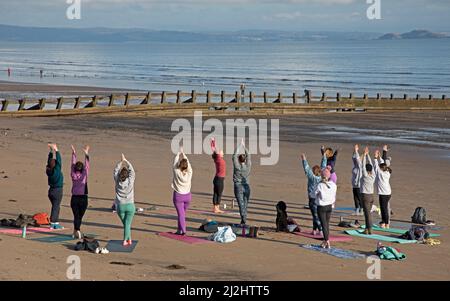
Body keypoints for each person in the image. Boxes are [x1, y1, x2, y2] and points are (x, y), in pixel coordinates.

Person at [301, 152, 327, 235]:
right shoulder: (321, 177)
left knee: (316, 215)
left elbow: (307, 169)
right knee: (315, 214)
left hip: (312, 199)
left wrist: (304, 159)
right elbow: (323, 166)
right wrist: (324, 156)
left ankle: (321, 230)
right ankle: (314, 230)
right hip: (319, 198)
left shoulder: (311, 177)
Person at [114, 154, 136, 246]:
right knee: (127, 224)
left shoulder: (117, 180)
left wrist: (120, 162)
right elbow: (132, 171)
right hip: (130, 205)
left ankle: (128, 239)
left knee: (126, 224)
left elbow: (115, 171)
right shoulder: (130, 181)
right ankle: (126, 240)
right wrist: (126, 161)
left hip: (120, 206)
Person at [70, 145, 90, 239]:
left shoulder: (73, 174)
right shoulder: (84, 175)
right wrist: (86, 154)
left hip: (74, 198)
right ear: (82, 169)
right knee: (79, 216)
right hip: (83, 198)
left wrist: (74, 153)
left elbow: (72, 164)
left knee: (76, 216)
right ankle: (77, 230)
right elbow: (87, 166)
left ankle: (75, 231)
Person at [172, 147, 193, 235]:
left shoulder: (177, 172)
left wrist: (178, 153)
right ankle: (179, 230)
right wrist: (184, 154)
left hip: (179, 196)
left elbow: (174, 163)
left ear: (180, 166)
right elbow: (188, 164)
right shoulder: (190, 172)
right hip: (187, 196)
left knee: (181, 214)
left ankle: (183, 230)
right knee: (182, 214)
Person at [315, 167, 337, 249]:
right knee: (326, 224)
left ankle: (327, 241)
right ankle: (325, 241)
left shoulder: (320, 185)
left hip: (322, 207)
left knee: (324, 224)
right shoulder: (333, 185)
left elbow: (314, 194)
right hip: (329, 207)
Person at [233, 138, 251, 225]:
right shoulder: (248, 166)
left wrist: (239, 146)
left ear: (239, 160)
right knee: (245, 203)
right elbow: (249, 156)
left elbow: (234, 156)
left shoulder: (237, 166)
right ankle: (244, 217)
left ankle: (243, 218)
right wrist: (244, 147)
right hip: (246, 186)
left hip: (238, 186)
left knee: (241, 203)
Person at [46, 143, 64, 230]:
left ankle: (54, 222)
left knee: (56, 206)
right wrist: (56, 149)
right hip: (57, 191)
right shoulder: (56, 170)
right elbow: (59, 160)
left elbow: (49, 162)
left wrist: (51, 152)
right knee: (56, 207)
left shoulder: (49, 170)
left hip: (51, 191)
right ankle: (54, 223)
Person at [374, 145, 392, 229]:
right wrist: (380, 157)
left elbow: (377, 166)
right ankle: (385, 222)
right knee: (384, 208)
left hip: (384, 194)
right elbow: (382, 164)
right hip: (388, 193)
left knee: (383, 209)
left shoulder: (380, 173)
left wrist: (375, 158)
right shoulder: (387, 172)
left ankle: (385, 223)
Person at [360, 146, 376, 235]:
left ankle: (368, 229)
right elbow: (371, 165)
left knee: (367, 214)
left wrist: (365, 155)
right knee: (368, 213)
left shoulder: (365, 176)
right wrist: (368, 155)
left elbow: (363, 165)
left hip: (365, 196)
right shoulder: (373, 176)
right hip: (371, 196)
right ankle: (368, 229)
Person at [210, 137, 226, 213]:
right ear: (219, 154)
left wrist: (213, 141)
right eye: (221, 151)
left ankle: (215, 208)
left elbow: (213, 149)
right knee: (219, 194)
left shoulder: (217, 159)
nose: (222, 152)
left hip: (217, 178)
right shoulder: (219, 159)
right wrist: (213, 141)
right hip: (219, 179)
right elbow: (214, 148)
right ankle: (216, 208)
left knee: (216, 193)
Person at [352, 144, 364, 216]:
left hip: (359, 185)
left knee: (359, 198)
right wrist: (354, 150)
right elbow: (354, 157)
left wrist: (356, 151)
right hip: (354, 185)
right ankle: (357, 209)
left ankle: (361, 210)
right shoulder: (355, 166)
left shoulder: (360, 166)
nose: (355, 160)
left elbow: (357, 158)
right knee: (355, 198)